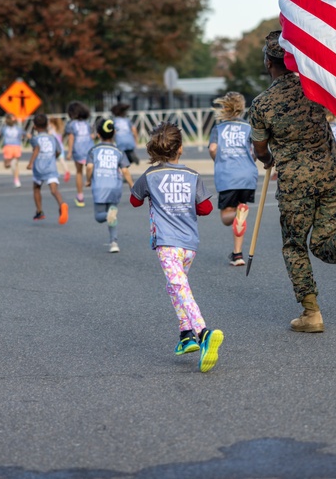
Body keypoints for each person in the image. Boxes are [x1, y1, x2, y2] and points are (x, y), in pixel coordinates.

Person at [246, 30, 336, 333]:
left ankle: (311, 314)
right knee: (325, 244)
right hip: (334, 175)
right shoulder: (314, 87)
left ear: (268, 63)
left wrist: (267, 160)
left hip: (297, 184)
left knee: (295, 246)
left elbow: (259, 148)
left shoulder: (262, 104)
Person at [129, 121, 223, 373]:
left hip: (167, 243)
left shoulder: (150, 176)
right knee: (175, 287)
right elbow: (205, 208)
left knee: (181, 287)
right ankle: (185, 335)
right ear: (180, 148)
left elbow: (134, 201)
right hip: (189, 243)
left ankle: (202, 332)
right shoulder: (193, 175)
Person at [207, 91, 258, 267]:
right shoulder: (249, 127)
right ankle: (237, 254)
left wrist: (218, 159)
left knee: (226, 216)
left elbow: (213, 148)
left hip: (227, 175)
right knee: (241, 217)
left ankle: (238, 213)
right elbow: (256, 150)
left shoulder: (219, 128)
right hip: (247, 175)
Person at [86, 118, 133, 253]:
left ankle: (108, 215)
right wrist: (131, 185)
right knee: (112, 215)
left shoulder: (94, 150)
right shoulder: (119, 151)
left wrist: (88, 180)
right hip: (115, 187)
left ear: (99, 134)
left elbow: (89, 167)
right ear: (113, 134)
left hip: (100, 187)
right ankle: (114, 242)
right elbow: (125, 171)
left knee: (99, 216)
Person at [27, 113, 69, 225]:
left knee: (36, 188)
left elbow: (36, 149)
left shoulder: (34, 139)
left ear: (34, 126)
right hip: (51, 168)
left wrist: (30, 163)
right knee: (54, 190)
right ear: (47, 125)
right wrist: (52, 158)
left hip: (39, 168)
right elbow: (59, 151)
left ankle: (39, 211)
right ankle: (62, 204)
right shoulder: (53, 138)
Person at [64, 101, 93, 208]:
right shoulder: (87, 123)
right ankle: (90, 182)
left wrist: (69, 152)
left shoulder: (71, 124)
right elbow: (91, 135)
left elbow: (71, 138)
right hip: (89, 148)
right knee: (90, 168)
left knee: (79, 172)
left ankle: (80, 196)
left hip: (78, 149)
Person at [0, 114, 25, 187]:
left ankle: (16, 179)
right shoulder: (4, 128)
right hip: (8, 147)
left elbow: (26, 134)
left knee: (15, 164)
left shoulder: (18, 128)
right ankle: (11, 166)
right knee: (7, 165)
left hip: (15, 147)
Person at [47, 115, 72, 183]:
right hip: (61, 146)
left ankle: (53, 172)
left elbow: (49, 135)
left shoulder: (52, 129)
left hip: (55, 147)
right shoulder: (58, 129)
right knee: (61, 160)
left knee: (52, 161)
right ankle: (66, 170)